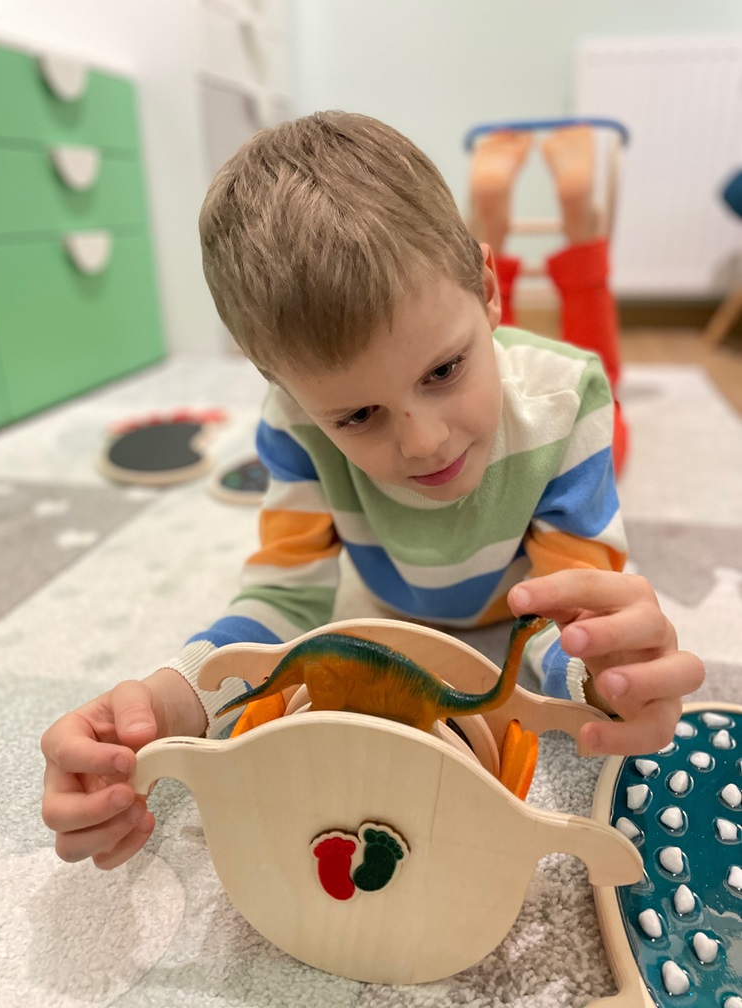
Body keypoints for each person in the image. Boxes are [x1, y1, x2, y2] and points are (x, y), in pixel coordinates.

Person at [40, 111, 704, 871]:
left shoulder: (566, 405)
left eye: (444, 370)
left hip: (528, 549)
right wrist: (163, 702)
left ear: (490, 290)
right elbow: (282, 601)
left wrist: (604, 677)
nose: (424, 442)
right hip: (394, 589)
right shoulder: (293, 423)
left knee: (621, 441)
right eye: (357, 416)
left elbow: (566, 617)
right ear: (285, 390)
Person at [467, 125, 628, 474]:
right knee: (596, 392)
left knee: (493, 370)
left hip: (501, 449)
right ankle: (581, 224)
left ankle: (489, 230)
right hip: (574, 454)